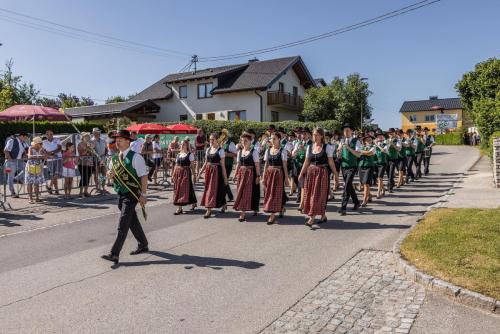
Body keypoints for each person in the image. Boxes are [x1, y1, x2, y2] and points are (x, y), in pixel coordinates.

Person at [102, 130, 149, 264]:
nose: (117, 142)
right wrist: (109, 175)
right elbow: (112, 176)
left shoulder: (136, 157)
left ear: (128, 141)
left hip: (132, 194)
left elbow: (144, 176)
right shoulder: (114, 158)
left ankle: (114, 253)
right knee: (132, 220)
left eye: (120, 140)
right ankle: (143, 244)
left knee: (123, 223)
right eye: (116, 140)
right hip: (121, 193)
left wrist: (143, 194)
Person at [298, 127, 336, 227]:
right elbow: (306, 161)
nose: (314, 136)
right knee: (310, 194)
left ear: (321, 136)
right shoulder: (309, 147)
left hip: (321, 173)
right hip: (310, 173)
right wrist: (301, 173)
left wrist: (336, 174)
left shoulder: (327, 147)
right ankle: (323, 216)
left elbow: (331, 162)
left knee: (317, 196)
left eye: (316, 135)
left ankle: (312, 218)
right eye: (313, 134)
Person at [198, 133, 228, 219]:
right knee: (209, 190)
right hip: (208, 172)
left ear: (217, 140)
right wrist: (200, 172)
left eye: (212, 139)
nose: (211, 141)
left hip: (217, 173)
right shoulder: (208, 150)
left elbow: (222, 165)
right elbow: (205, 163)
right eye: (210, 139)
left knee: (217, 190)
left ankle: (209, 210)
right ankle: (220, 205)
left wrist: (225, 178)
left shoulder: (220, 151)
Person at [233, 132, 261, 222]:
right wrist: (235, 174)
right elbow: (238, 164)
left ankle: (252, 209)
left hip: (251, 174)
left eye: (246, 141)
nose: (243, 142)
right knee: (241, 192)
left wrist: (258, 176)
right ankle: (243, 212)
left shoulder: (254, 152)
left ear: (250, 142)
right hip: (242, 174)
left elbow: (257, 165)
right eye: (242, 141)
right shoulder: (240, 152)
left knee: (252, 192)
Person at [262, 133, 289, 224]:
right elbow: (266, 165)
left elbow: (285, 166)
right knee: (270, 192)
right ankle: (281, 208)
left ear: (279, 139)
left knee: (276, 193)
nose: (272, 141)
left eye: (274, 139)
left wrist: (286, 178)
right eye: (271, 139)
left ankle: (272, 215)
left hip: (278, 173)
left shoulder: (283, 151)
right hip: (269, 173)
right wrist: (263, 176)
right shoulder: (268, 150)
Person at [337, 123, 361, 216]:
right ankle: (356, 202)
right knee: (349, 185)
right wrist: (338, 150)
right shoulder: (342, 140)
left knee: (346, 186)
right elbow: (339, 151)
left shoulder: (356, 141)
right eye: (344, 130)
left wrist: (348, 147)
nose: (345, 132)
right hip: (343, 166)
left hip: (352, 166)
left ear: (351, 131)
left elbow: (358, 154)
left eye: (347, 130)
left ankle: (343, 207)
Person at [172, 139, 197, 215]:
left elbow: (192, 166)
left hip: (186, 173)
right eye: (181, 144)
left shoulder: (190, 154)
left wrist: (194, 175)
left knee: (183, 189)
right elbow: (176, 165)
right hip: (178, 173)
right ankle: (192, 202)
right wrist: (173, 175)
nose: (182, 145)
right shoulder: (178, 154)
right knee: (181, 189)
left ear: (187, 145)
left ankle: (179, 208)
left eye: (184, 144)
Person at [3, 132, 28, 198]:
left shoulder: (23, 143)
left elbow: (24, 152)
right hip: (10, 161)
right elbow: (6, 150)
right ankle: (12, 192)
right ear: (21, 136)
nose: (25, 140)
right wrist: (10, 159)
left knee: (27, 169)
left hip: (19, 160)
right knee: (10, 176)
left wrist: (25, 155)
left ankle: (17, 178)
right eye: (25, 138)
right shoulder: (12, 140)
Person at [25, 137, 46, 203]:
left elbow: (45, 155)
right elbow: (30, 156)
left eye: (41, 143)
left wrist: (42, 155)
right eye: (40, 143)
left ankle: (37, 197)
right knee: (30, 183)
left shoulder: (41, 149)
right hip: (31, 166)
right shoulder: (31, 148)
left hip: (37, 167)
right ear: (37, 144)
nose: (41, 145)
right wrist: (39, 156)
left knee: (36, 183)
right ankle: (30, 198)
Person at [42, 129, 62, 195]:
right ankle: (56, 190)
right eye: (48, 134)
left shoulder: (57, 140)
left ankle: (49, 186)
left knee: (56, 174)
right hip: (50, 160)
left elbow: (60, 148)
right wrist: (49, 154)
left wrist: (53, 153)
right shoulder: (44, 142)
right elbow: (43, 151)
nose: (50, 135)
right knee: (53, 175)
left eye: (51, 134)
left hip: (58, 159)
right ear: (46, 135)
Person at [220, 129, 237, 202]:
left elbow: (235, 154)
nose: (222, 136)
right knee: (223, 180)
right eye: (222, 134)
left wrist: (227, 154)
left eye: (224, 134)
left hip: (228, 164)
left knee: (224, 179)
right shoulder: (221, 143)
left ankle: (228, 196)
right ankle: (229, 196)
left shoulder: (231, 143)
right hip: (221, 164)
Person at [358, 135, 376, 206]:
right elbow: (357, 153)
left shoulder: (373, 147)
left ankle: (364, 200)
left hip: (369, 167)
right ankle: (370, 195)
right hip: (361, 166)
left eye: (370, 139)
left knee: (366, 184)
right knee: (363, 184)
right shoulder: (362, 146)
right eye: (367, 140)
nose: (369, 141)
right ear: (364, 141)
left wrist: (361, 151)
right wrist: (360, 151)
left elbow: (369, 153)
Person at [77, 132, 94, 197]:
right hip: (82, 163)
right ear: (83, 138)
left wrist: (91, 150)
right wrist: (87, 148)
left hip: (89, 162)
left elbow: (92, 153)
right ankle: (80, 192)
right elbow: (81, 154)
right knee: (83, 177)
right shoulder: (80, 144)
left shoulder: (90, 144)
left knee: (88, 177)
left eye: (88, 137)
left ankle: (85, 191)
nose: (87, 138)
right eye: (86, 137)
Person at [91, 128, 107, 192]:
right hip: (95, 160)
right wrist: (95, 155)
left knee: (103, 174)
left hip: (103, 159)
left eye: (99, 132)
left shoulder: (103, 140)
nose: (98, 133)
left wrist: (105, 154)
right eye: (97, 132)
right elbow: (91, 151)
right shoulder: (91, 141)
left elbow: (106, 149)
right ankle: (97, 187)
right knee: (96, 174)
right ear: (94, 133)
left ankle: (103, 187)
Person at [385, 128, 401, 193]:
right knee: (388, 173)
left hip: (394, 158)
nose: (390, 134)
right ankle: (392, 183)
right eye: (389, 133)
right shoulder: (386, 140)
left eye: (391, 133)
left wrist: (392, 143)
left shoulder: (398, 140)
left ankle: (390, 187)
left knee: (391, 173)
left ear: (394, 133)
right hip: (387, 158)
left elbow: (398, 149)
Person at [373, 130, 388, 198]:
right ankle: (383, 189)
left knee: (379, 178)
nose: (379, 137)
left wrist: (376, 144)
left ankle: (378, 192)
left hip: (383, 163)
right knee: (378, 178)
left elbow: (383, 150)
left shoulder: (385, 143)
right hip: (376, 162)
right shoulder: (375, 144)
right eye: (378, 136)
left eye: (380, 136)